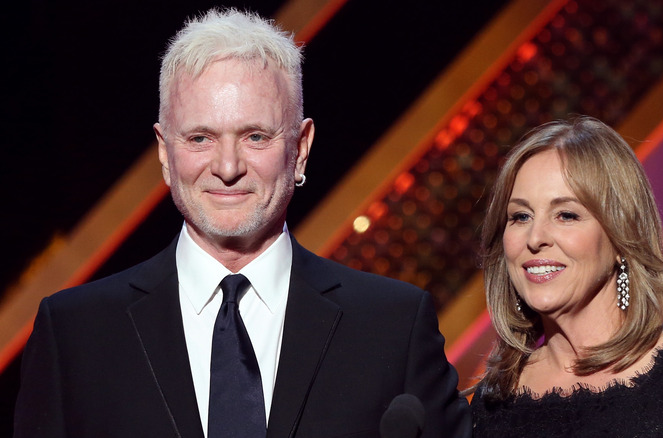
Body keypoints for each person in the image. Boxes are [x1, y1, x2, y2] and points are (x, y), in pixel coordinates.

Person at [14, 8, 470, 438]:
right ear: (164, 153)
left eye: (255, 136)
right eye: (199, 138)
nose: (227, 166)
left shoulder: (393, 326)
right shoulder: (75, 333)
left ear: (301, 148)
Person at [469, 116, 663, 437]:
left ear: (620, 237)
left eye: (566, 215)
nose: (535, 237)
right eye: (520, 216)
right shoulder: (492, 401)